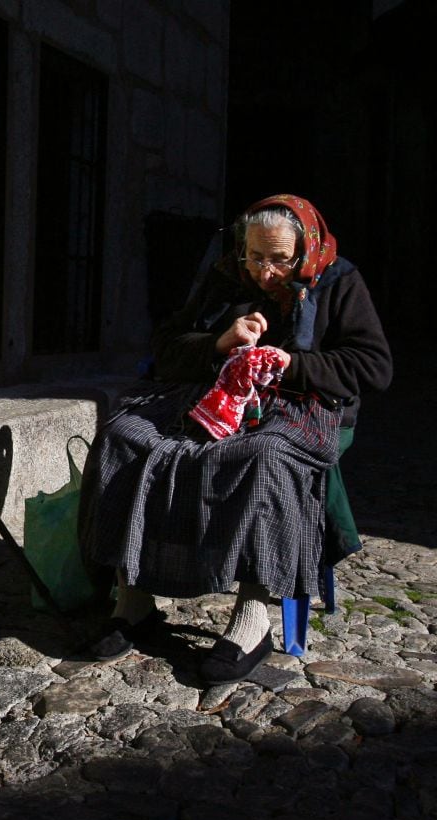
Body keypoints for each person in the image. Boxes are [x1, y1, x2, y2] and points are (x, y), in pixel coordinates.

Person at [78, 194, 392, 684]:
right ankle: (134, 599)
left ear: (304, 249)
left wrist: (293, 363)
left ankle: (253, 616)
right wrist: (219, 342)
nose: (265, 272)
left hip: (302, 406)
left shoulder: (338, 281)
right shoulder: (226, 275)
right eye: (256, 257)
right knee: (124, 435)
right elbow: (166, 347)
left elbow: (373, 367)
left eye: (280, 259)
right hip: (212, 395)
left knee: (263, 455)